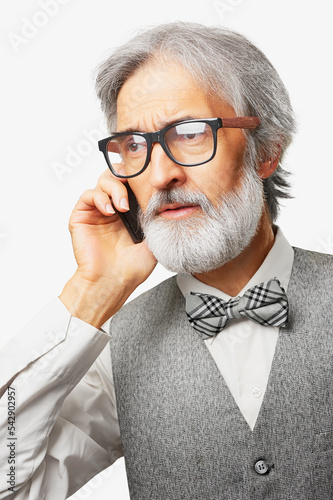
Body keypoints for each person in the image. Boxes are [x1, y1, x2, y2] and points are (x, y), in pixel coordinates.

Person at [0, 21, 332, 500]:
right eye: (134, 145)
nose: (160, 174)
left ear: (267, 151)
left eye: (192, 133)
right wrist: (93, 290)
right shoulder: (117, 348)